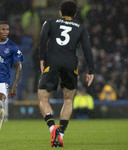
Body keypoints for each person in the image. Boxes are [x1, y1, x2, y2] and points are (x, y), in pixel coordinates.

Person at [38, 0, 94, 147]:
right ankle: (61, 134)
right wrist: (91, 70)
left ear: (60, 12)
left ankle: (52, 127)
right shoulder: (81, 28)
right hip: (71, 64)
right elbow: (87, 49)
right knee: (68, 100)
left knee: (43, 98)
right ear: (75, 13)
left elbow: (42, 39)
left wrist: (42, 59)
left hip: (53, 61)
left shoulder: (49, 23)